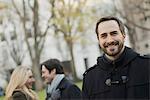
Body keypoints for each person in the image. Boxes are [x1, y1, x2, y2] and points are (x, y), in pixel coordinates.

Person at [82, 16, 150, 99]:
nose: (110, 40)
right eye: (104, 36)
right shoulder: (90, 79)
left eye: (114, 33)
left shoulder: (147, 66)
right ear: (98, 40)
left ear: (123, 35)